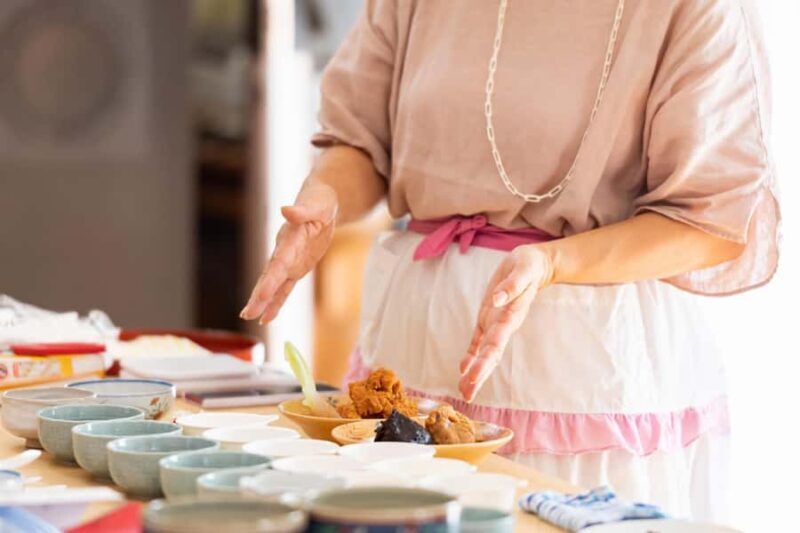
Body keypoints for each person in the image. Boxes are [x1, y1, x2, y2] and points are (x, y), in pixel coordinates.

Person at [241, 0, 779, 520]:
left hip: (579, 381)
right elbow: (360, 143)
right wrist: (326, 199)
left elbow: (712, 223)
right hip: (415, 351)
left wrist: (550, 263)